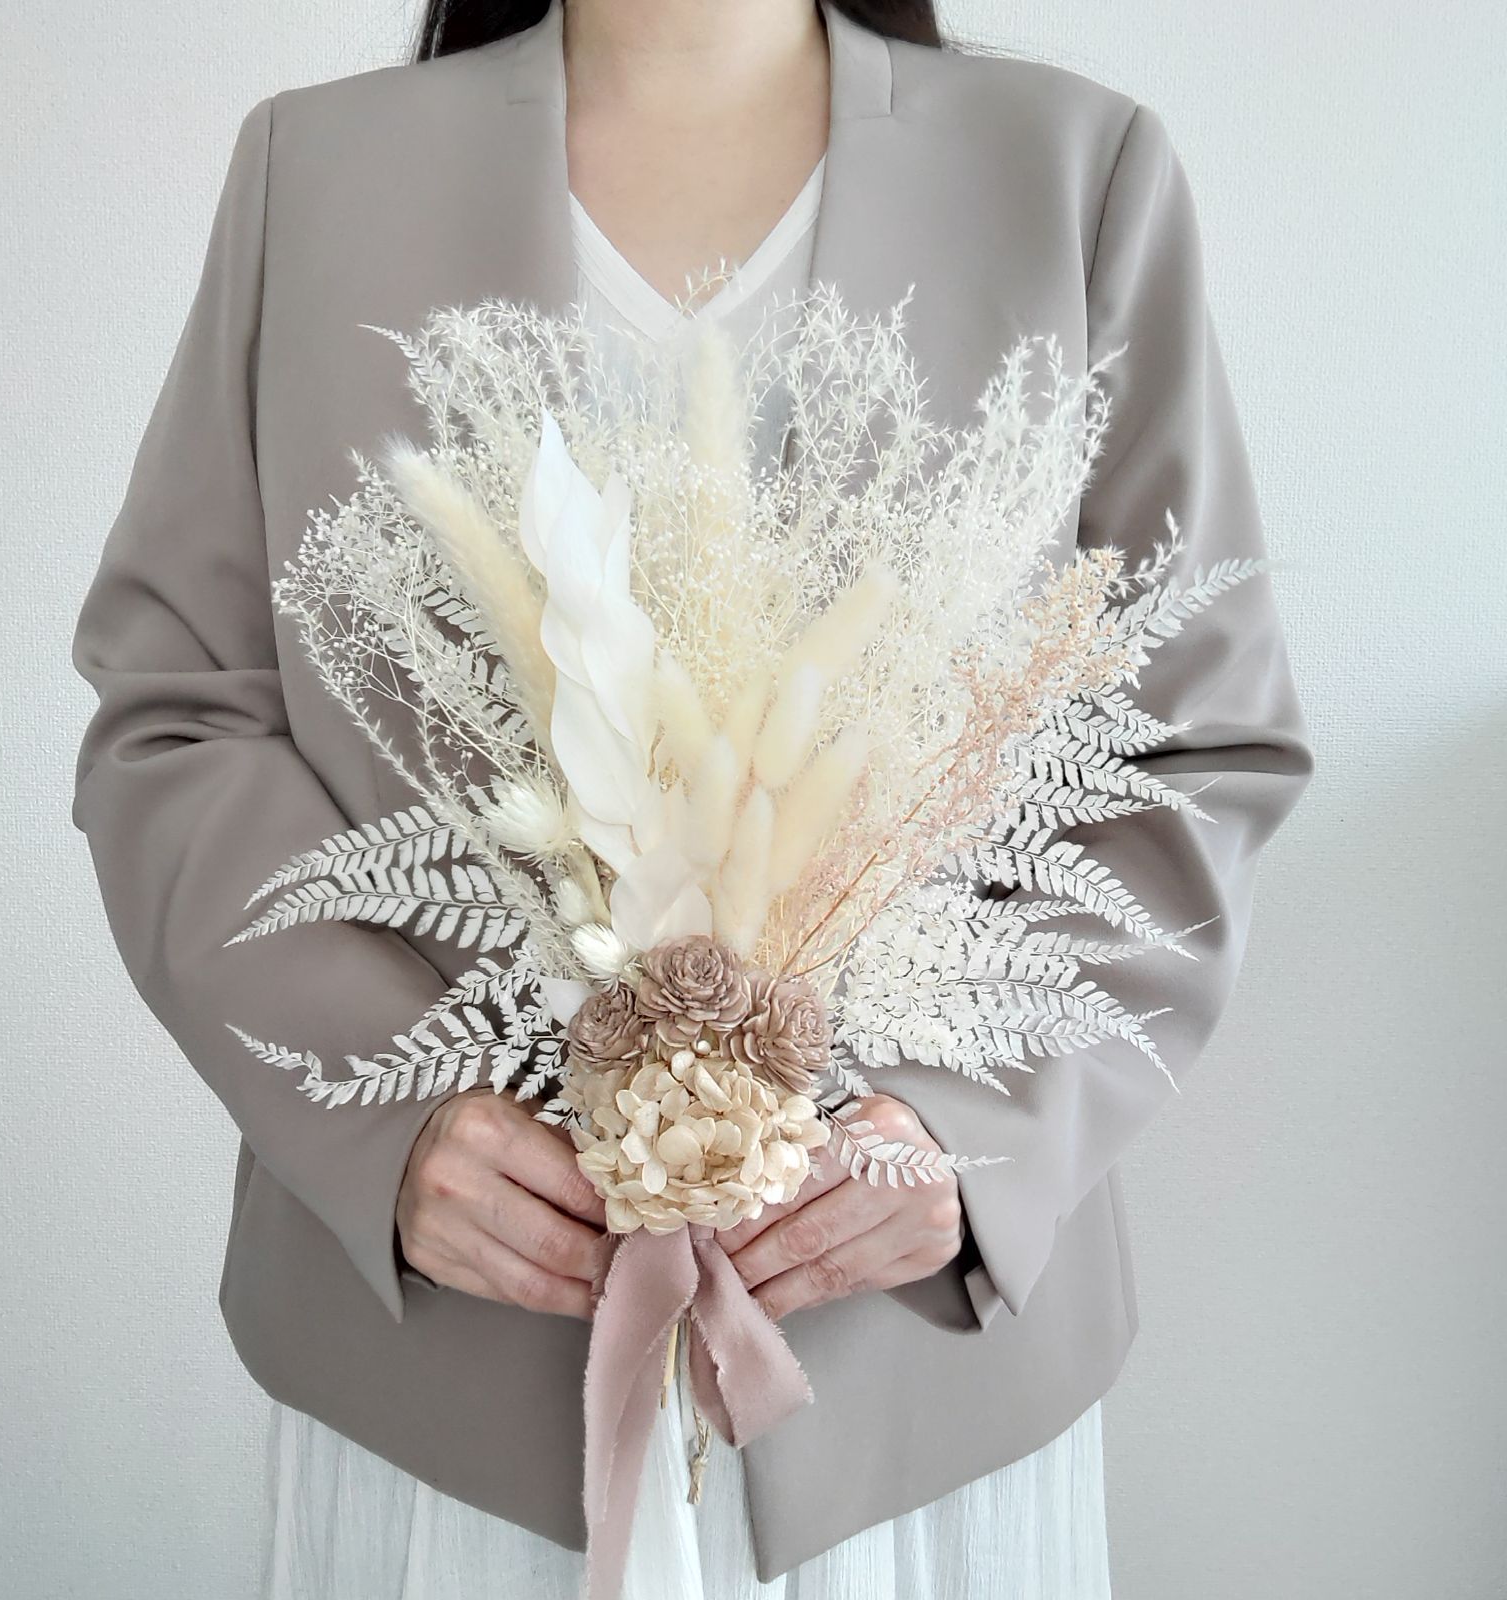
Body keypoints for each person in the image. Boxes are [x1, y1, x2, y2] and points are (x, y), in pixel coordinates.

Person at [67, 2, 1315, 1596]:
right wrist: (388, 1116)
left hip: (904, 1391)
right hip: (452, 1382)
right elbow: (180, 717)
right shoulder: (313, 174)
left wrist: (973, 1134)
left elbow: (1193, 749)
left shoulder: (1077, 171)